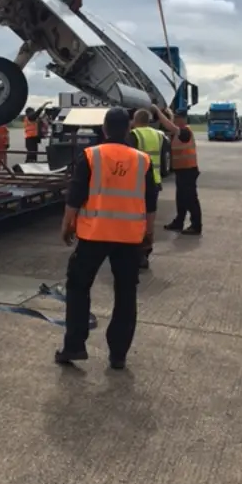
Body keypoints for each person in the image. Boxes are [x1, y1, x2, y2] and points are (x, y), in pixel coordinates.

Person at [56, 107, 157, 370]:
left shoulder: (91, 156)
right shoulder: (143, 160)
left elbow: (75, 196)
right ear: (128, 129)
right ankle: (118, 354)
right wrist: (149, 233)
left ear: (104, 129)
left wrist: (67, 225)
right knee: (126, 293)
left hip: (93, 234)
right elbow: (150, 201)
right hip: (130, 238)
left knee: (78, 287)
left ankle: (74, 346)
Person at [152, 104, 202, 236]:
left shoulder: (185, 131)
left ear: (183, 119)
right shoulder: (180, 131)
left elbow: (169, 126)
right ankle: (179, 222)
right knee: (181, 198)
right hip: (182, 170)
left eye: (178, 118)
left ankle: (196, 225)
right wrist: (165, 112)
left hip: (188, 170)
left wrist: (157, 111)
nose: (175, 120)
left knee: (190, 199)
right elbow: (169, 127)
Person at [130, 107, 166, 268]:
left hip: (137, 184)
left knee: (136, 220)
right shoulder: (159, 135)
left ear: (135, 121)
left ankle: (135, 253)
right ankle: (146, 253)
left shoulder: (134, 135)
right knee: (149, 222)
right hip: (155, 183)